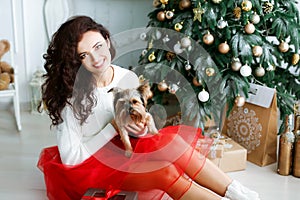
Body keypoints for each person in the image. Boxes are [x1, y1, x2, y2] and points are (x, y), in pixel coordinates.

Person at [37, 15, 260, 200]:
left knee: (173, 142)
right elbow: (71, 159)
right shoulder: (71, 97)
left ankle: (239, 193)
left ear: (107, 39)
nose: (96, 59)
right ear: (76, 61)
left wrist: (141, 127)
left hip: (126, 151)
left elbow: (139, 131)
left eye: (98, 46)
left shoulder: (126, 76)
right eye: (84, 55)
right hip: (91, 168)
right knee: (165, 172)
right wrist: (113, 127)